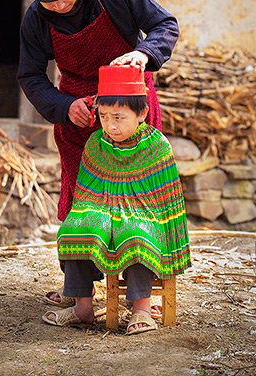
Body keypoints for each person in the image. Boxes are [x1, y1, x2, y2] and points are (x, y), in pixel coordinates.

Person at [18, 0, 179, 225]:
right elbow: (30, 75)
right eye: (49, 1)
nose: (58, 6)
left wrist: (144, 52)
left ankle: (141, 262)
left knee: (140, 188)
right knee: (84, 194)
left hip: (130, 102)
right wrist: (64, 107)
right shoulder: (36, 18)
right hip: (79, 113)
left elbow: (164, 24)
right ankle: (84, 261)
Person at [42, 64, 191, 333]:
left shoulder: (158, 146)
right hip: (101, 209)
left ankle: (141, 308)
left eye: (119, 117)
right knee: (76, 226)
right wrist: (97, 213)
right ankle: (82, 306)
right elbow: (84, 195)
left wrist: (129, 216)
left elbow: (166, 203)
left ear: (142, 113)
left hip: (147, 216)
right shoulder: (95, 145)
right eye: (103, 116)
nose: (110, 125)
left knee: (135, 233)